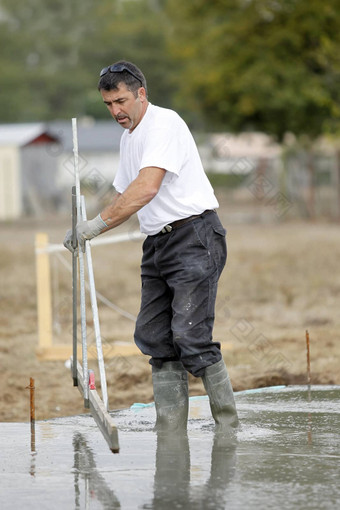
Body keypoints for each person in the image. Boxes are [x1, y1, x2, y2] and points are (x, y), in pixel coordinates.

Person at [64, 60, 239, 434]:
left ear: (141, 93)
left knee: (190, 336)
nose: (116, 111)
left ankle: (228, 429)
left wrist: (94, 227)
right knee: (155, 336)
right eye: (108, 104)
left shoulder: (165, 124)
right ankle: (170, 431)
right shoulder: (130, 138)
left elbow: (145, 189)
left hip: (194, 237)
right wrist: (83, 226)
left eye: (121, 101)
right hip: (158, 243)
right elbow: (122, 194)